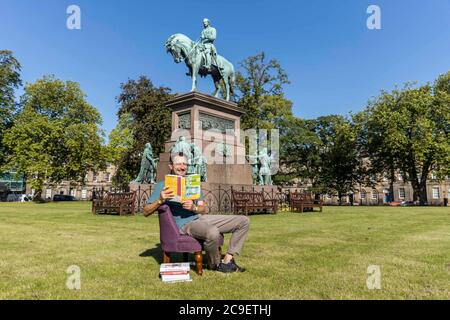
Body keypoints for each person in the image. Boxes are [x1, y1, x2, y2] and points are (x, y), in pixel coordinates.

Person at [143, 152, 249, 273]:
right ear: (171, 166)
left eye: (185, 164)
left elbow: (203, 208)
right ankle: (215, 264)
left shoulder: (192, 182)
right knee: (213, 232)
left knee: (243, 221)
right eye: (178, 164)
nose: (182, 167)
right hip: (184, 224)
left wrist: (194, 207)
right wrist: (160, 200)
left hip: (199, 217)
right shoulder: (162, 185)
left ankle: (227, 260)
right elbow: (146, 212)